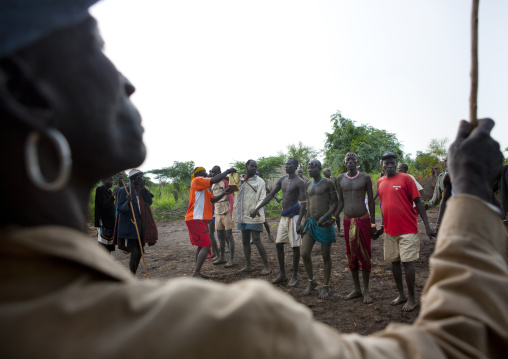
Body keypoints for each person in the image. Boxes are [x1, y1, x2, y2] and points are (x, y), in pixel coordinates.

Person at [3, 2, 508, 357]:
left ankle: (351, 287)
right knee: (293, 254)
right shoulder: (216, 328)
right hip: (295, 221)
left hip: (346, 223)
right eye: (95, 44)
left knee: (340, 259)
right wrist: (472, 196)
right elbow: (462, 345)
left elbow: (314, 197)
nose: (126, 81)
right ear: (24, 93)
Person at [376, 152, 436, 311]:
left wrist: (427, 227)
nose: (389, 165)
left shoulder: (407, 179)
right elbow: (383, 207)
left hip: (407, 229)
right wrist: (382, 228)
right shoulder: (380, 182)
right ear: (381, 164)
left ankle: (411, 298)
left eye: (392, 162)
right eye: (386, 162)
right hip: (390, 231)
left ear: (396, 163)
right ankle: (401, 295)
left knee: (407, 263)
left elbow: (419, 203)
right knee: (394, 262)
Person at [251, 158, 306, 286]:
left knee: (295, 246)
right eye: (286, 164)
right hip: (284, 216)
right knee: (278, 244)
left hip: (295, 216)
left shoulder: (300, 182)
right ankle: (282, 274)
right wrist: (257, 208)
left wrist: (299, 223)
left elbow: (303, 203)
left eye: (289, 165)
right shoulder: (282, 180)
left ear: (295, 166)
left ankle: (295, 276)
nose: (286, 166)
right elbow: (270, 196)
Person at [335, 152, 376, 304]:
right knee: (351, 253)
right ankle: (356, 289)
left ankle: (366, 290)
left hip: (363, 220)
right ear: (345, 163)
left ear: (357, 162)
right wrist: (332, 217)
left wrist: (373, 224)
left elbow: (371, 201)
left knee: (365, 253)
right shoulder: (340, 178)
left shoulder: (365, 178)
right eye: (348, 160)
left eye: (353, 159)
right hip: (347, 221)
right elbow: (340, 202)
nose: (350, 161)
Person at [297, 160, 338, 299]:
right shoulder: (308, 183)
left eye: (312, 167)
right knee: (304, 253)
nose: (309, 169)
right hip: (311, 223)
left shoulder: (328, 183)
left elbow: (335, 202)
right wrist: (304, 221)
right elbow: (309, 204)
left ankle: (326, 286)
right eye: (308, 167)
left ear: (319, 169)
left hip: (325, 223)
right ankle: (311, 281)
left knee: (325, 255)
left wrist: (327, 216)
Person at [185, 166, 236, 278]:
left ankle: (196, 272)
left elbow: (213, 199)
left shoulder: (202, 188)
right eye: (205, 171)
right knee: (207, 244)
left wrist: (224, 193)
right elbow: (213, 180)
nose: (208, 173)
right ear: (199, 173)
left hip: (198, 219)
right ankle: (196, 273)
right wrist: (228, 171)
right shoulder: (197, 180)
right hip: (195, 219)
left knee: (201, 245)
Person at [117, 169, 158, 275]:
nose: (141, 179)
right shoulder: (124, 191)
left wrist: (144, 189)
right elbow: (120, 209)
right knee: (135, 252)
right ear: (134, 179)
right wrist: (127, 201)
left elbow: (149, 202)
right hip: (130, 226)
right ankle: (131, 276)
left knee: (139, 252)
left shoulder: (141, 190)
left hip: (141, 225)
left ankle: (132, 274)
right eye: (139, 177)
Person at [237, 160, 271, 275]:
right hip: (242, 214)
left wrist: (256, 209)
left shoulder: (260, 181)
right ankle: (248, 265)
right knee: (245, 240)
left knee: (256, 239)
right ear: (246, 166)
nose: (254, 168)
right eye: (252, 166)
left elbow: (263, 198)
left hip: (254, 213)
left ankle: (267, 266)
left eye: (256, 167)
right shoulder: (240, 180)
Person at [209, 165, 236, 267]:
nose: (213, 174)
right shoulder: (212, 185)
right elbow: (212, 201)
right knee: (220, 236)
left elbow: (230, 197)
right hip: (217, 212)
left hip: (227, 210)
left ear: (219, 172)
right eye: (212, 173)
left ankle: (232, 259)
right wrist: (212, 213)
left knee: (229, 235)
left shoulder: (225, 182)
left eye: (215, 173)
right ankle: (222, 257)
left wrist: (232, 212)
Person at [94, 176, 116, 252]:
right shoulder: (100, 190)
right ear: (103, 180)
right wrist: (113, 195)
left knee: (109, 244)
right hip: (103, 222)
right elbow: (104, 205)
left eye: (112, 181)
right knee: (103, 244)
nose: (112, 182)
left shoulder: (109, 191)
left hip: (110, 223)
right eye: (110, 180)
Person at [323, 167, 342, 237]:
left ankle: (339, 230)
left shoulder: (334, 179)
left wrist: (340, 197)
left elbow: (338, 189)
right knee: (327, 214)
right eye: (327, 171)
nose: (329, 172)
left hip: (334, 199)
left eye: (329, 171)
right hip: (327, 200)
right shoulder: (323, 180)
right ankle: (329, 230)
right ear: (323, 173)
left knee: (336, 214)